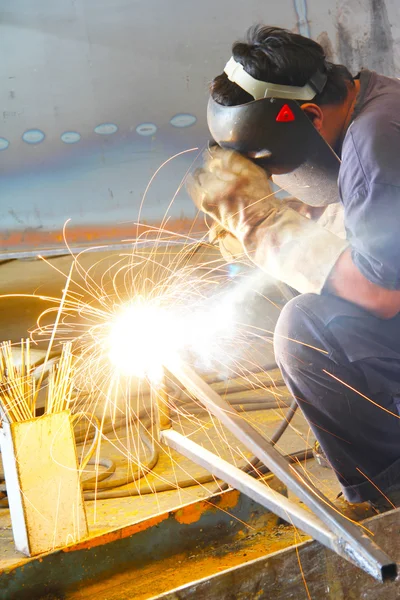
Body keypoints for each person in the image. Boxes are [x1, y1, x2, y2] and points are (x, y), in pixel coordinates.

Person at [188, 25, 400, 510]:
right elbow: (378, 214)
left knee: (306, 328)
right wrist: (306, 218)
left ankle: (390, 495)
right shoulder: (375, 97)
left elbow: (383, 294)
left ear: (307, 114)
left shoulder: (373, 143)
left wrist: (263, 225)